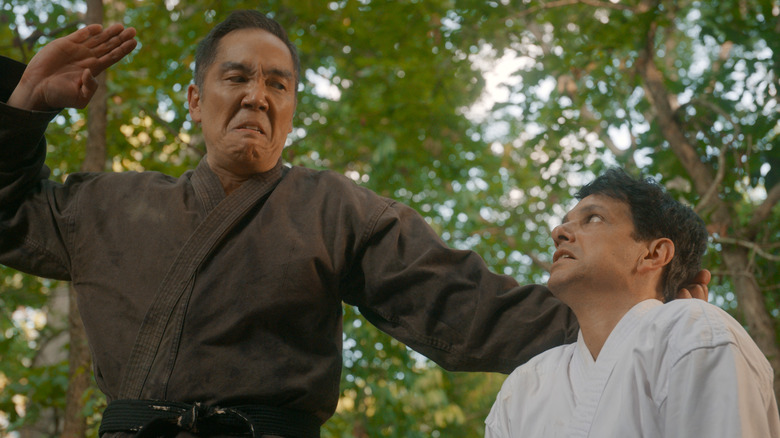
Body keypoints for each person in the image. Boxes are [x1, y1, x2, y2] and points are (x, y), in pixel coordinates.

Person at [0, 10, 710, 438]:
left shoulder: (334, 210)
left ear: (293, 108)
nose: (257, 96)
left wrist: (641, 316)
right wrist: (26, 102)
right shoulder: (105, 206)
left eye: (278, 84)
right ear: (195, 97)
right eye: (237, 77)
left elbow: (464, 308)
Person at [485, 168, 779, 437]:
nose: (557, 233)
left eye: (594, 218)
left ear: (654, 254)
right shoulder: (524, 387)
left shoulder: (692, 333)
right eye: (564, 223)